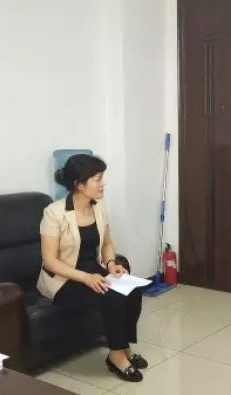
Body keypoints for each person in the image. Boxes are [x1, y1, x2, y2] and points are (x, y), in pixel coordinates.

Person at [37, 155, 146, 382]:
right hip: (64, 279)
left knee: (133, 289)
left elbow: (107, 243)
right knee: (112, 295)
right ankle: (116, 356)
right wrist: (87, 278)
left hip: (93, 270)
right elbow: (50, 261)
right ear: (79, 184)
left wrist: (111, 264)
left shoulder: (98, 207)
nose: (103, 184)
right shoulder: (53, 213)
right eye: (97, 179)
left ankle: (123, 346)